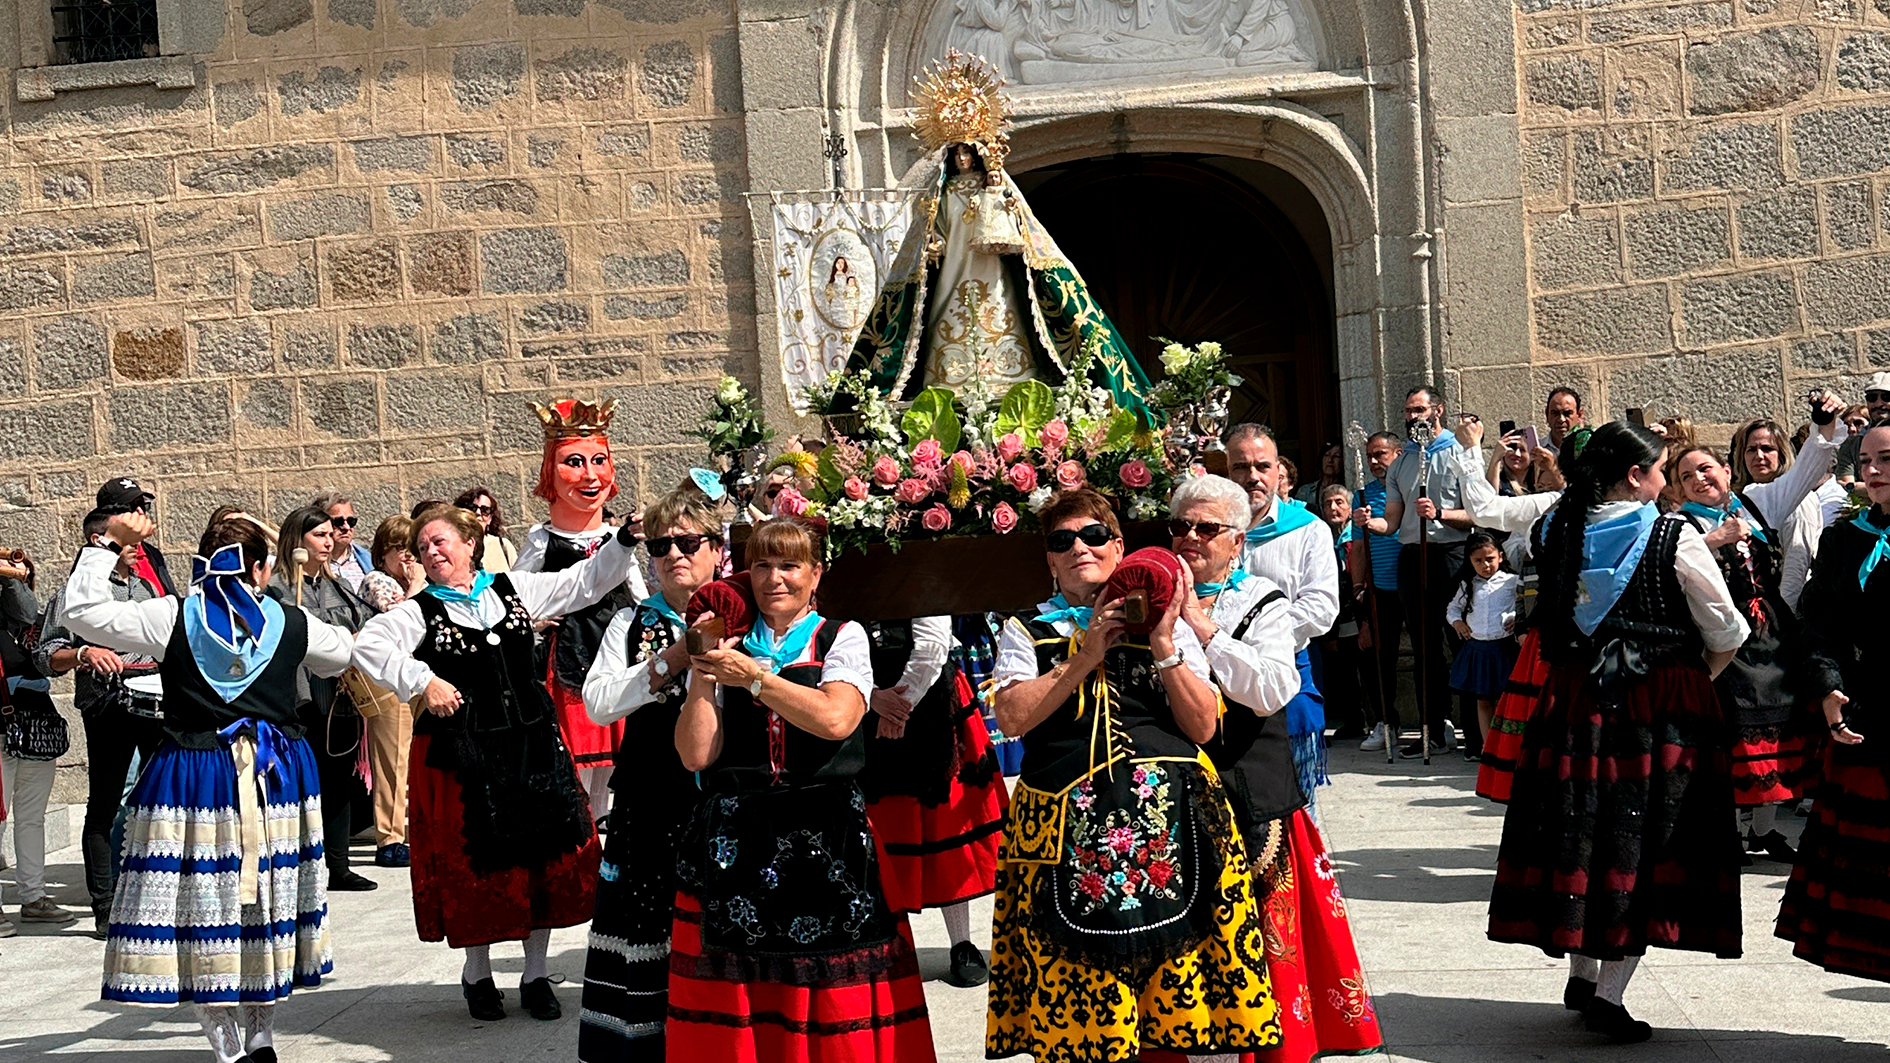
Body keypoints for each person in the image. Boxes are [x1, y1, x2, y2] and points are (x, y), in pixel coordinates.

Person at [986, 489, 1281, 1062]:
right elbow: (1013, 718)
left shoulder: (1166, 615)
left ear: (1118, 545)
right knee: (1080, 1008)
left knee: (1186, 999)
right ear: (1048, 560)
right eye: (1061, 541)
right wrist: (1084, 655)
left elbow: (1202, 727)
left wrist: (1166, 644)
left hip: (1175, 828)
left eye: (1094, 536)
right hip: (1064, 836)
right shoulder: (1026, 629)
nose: (1079, 549)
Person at [1488, 422, 1749, 1044]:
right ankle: (1607, 995)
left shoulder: (1552, 529)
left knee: (1581, 833)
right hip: (1658, 709)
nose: (1666, 479)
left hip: (1575, 700)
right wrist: (1690, 675)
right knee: (1647, 841)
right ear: (1635, 476)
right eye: (1661, 468)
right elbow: (1727, 628)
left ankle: (1583, 974)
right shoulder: (1671, 533)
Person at [68, 509, 352, 1063]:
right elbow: (341, 652)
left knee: (204, 906)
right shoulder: (292, 621)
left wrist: (105, 545)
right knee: (265, 903)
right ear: (262, 568)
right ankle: (261, 1035)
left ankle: (226, 1045)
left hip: (195, 774)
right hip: (274, 776)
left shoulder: (170, 615)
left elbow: (82, 612)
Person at [353, 504, 639, 1022]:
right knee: (479, 867)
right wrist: (424, 681)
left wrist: (623, 541)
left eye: (440, 542)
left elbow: (583, 583)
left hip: (530, 744)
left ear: (469, 542)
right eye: (423, 548)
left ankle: (534, 975)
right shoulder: (418, 611)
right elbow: (369, 645)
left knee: (541, 859)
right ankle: (478, 974)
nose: (431, 553)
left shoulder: (513, 588)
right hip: (465, 753)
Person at [671, 517, 938, 1062]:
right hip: (737, 836)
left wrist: (753, 678)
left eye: (790, 565)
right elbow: (696, 755)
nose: (775, 578)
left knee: (830, 988)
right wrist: (702, 670)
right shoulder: (730, 644)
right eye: (763, 565)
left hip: (825, 833)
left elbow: (837, 720)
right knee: (745, 987)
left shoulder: (843, 636)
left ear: (815, 575)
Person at [1157, 474, 1385, 1063]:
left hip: (1248, 785)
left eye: (1207, 529)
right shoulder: (1146, 596)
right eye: (1181, 526)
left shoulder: (1261, 598)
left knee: (1258, 929)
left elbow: (1272, 689)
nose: (1191, 539)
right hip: (1169, 795)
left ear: (1237, 541)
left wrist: (1201, 627)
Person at [846, 54, 1152, 409]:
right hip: (953, 272)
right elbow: (933, 227)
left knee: (1000, 304)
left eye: (968, 151)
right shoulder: (940, 192)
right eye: (957, 152)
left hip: (990, 269)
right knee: (947, 317)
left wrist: (995, 193)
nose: (962, 158)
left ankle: (1009, 372)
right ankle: (948, 376)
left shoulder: (996, 186)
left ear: (978, 153)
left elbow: (1020, 231)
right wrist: (932, 247)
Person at [573, 487, 722, 1063]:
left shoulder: (748, 614)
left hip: (724, 799)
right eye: (661, 546)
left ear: (714, 549)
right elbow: (598, 702)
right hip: (651, 796)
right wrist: (673, 658)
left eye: (688, 543)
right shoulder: (631, 623)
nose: (674, 555)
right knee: (648, 927)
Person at [1668, 392, 1844, 862]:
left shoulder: (1757, 501)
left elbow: (1806, 471)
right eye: (1686, 477)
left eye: (1705, 469)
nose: (1698, 479)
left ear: (1726, 471)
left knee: (1781, 724)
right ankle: (1728, 830)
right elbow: (1661, 565)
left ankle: (1764, 829)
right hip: (1724, 639)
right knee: (1733, 733)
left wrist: (1824, 425)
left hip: (1773, 634)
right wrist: (1710, 540)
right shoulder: (1677, 525)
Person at [1779, 423, 1890, 983]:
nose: (1873, 470)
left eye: (1886, 458)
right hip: (1869, 718)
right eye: (1865, 459)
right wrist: (1827, 685)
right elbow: (1818, 623)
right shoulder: (1845, 539)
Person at [515, 398, 648, 828]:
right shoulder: (542, 540)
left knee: (621, 731)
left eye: (599, 461)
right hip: (571, 649)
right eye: (575, 462)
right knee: (578, 735)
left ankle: (611, 811)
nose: (590, 476)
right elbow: (517, 595)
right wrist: (532, 624)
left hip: (618, 642)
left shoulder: (618, 537)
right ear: (550, 471)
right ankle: (582, 815)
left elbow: (637, 589)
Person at [860, 609, 1009, 989]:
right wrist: (872, 697)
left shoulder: (918, 563)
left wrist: (899, 703)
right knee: (877, 828)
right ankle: (885, 945)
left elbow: (931, 644)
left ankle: (962, 943)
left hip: (930, 699)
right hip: (861, 699)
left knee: (943, 826)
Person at [35, 510, 167, 937]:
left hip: (156, 703)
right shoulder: (73, 592)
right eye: (128, 538)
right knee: (106, 804)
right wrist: (83, 653)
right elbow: (46, 655)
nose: (138, 546)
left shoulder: (145, 587)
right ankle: (105, 906)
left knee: (159, 801)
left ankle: (153, 893)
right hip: (108, 701)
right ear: (100, 540)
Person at [1356, 385, 1474, 759]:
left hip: (1452, 552)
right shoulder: (1404, 461)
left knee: (1462, 641)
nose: (1412, 417)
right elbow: (1392, 521)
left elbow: (1477, 513)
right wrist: (1369, 523)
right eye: (1408, 411)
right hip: (1413, 554)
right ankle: (1433, 729)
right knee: (1423, 647)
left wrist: (1439, 513)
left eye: (1419, 410)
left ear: (1437, 410)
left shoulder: (1459, 453)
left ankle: (1475, 730)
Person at [1226, 423, 1340, 803]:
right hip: (1217, 682)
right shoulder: (1208, 530)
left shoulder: (1309, 531)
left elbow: (1321, 608)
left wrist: (1252, 638)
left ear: (1279, 471)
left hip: (1285, 675)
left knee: (1291, 809)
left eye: (1262, 466)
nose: (1252, 477)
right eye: (1241, 467)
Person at [269, 507, 377, 893]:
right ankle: (297, 867)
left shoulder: (338, 585)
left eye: (331, 535)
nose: (329, 542)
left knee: (337, 785)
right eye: (319, 535)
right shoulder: (278, 588)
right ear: (297, 540)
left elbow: (364, 621)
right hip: (299, 700)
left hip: (340, 696)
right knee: (299, 788)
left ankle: (339, 866)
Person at [0, 548, 71, 934]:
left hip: (36, 728)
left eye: (23, 575)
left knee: (31, 818)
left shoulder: (35, 626)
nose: (18, 583)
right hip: (2, 727)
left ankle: (33, 896)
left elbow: (36, 630)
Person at [357, 516, 426, 869]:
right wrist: (416, 586)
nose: (409, 557)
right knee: (392, 760)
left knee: (415, 757)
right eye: (401, 549)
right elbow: (400, 617)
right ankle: (390, 838)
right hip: (386, 681)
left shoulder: (419, 581)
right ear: (383, 553)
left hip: (416, 677)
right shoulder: (376, 581)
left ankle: (412, 827)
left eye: (413, 549)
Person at [1446, 532, 1519, 758]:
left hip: (1504, 648)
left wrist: (1517, 618)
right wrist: (1457, 623)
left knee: (1504, 699)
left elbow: (1524, 603)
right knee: (1482, 699)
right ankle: (1488, 748)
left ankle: (1506, 746)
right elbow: (1452, 609)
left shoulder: (1511, 582)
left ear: (1500, 556)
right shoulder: (1468, 586)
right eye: (1478, 560)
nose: (1485, 565)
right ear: (1470, 561)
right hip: (1478, 649)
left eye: (1490, 559)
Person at [1355, 431, 1404, 752]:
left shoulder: (1409, 489)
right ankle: (1386, 721)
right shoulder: (1363, 496)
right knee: (1377, 657)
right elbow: (1358, 548)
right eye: (1370, 456)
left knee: (1429, 653)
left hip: (1413, 584)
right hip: (1381, 589)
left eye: (1380, 454)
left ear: (1397, 454)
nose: (1374, 461)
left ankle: (1436, 718)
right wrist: (1359, 587)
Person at [1314, 482, 1371, 741]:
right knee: (1345, 669)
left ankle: (1368, 720)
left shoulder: (1354, 538)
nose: (1333, 507)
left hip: (1356, 612)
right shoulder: (1327, 537)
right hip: (1339, 615)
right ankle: (1354, 720)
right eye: (1327, 504)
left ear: (1351, 508)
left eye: (1339, 502)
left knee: (1359, 667)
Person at [95, 476, 178, 595]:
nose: (140, 512)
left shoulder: (152, 554)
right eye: (131, 507)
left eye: (142, 505)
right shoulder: (98, 561)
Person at [1834, 370, 1890, 490]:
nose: (1879, 403)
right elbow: (1845, 485)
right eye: (1872, 398)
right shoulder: (1852, 444)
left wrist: (1862, 487)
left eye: (1886, 397)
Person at [314, 492, 372, 592]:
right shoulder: (311, 563)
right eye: (338, 522)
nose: (346, 527)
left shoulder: (368, 560)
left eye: (351, 521)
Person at [454, 486, 519, 573]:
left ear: (490, 519)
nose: (478, 513)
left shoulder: (503, 545)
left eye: (485, 510)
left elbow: (517, 580)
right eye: (472, 508)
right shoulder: (452, 545)